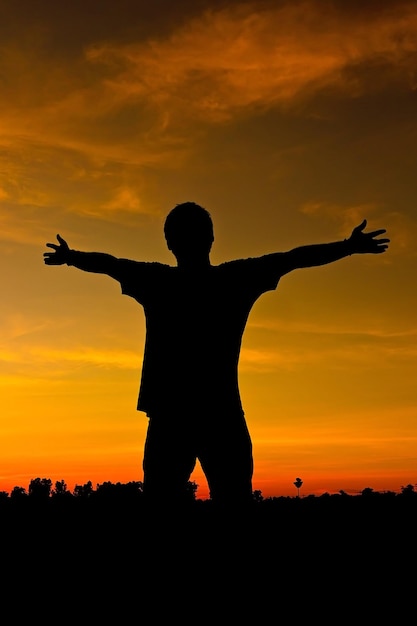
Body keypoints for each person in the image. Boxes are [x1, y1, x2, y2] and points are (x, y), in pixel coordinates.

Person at [44, 202, 389, 506]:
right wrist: (347, 247)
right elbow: (294, 258)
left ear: (169, 242)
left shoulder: (159, 281)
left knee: (171, 499)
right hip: (216, 414)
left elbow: (111, 264)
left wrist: (72, 257)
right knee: (229, 499)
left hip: (175, 416)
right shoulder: (233, 279)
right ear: (210, 239)